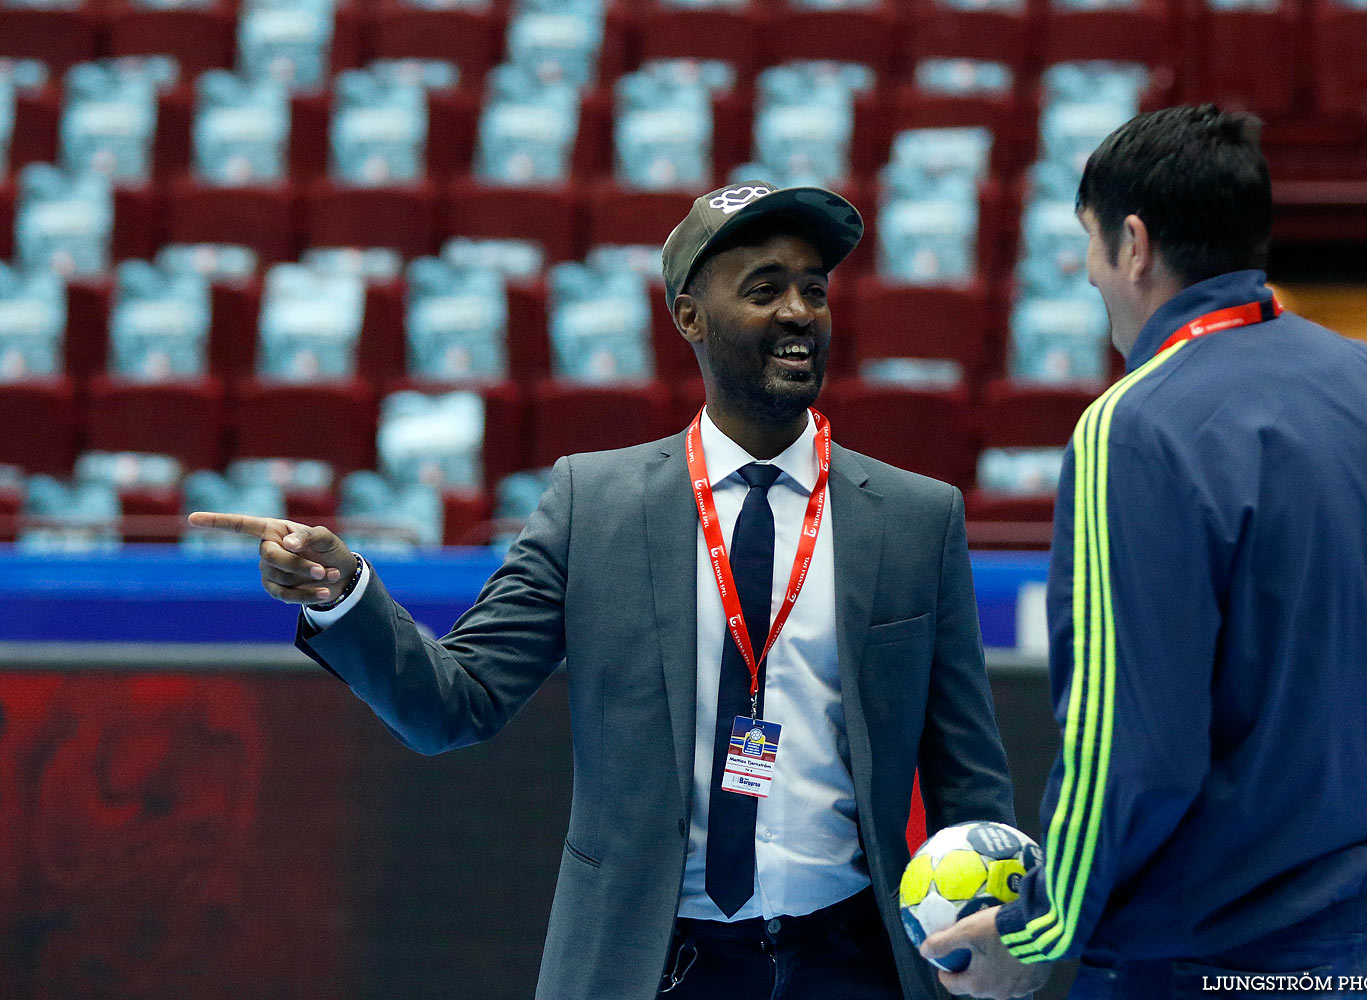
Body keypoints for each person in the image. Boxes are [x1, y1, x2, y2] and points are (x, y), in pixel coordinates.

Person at [191, 181, 1017, 1000]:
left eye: (814, 289)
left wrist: (997, 927)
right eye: (765, 290)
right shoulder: (595, 504)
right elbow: (456, 703)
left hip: (855, 962)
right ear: (689, 317)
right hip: (647, 962)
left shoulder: (916, 518)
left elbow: (968, 772)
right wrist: (345, 595)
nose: (800, 312)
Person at [919, 105, 1367, 999]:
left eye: (1089, 244)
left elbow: (1128, 742)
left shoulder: (1133, 428)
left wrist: (1040, 932)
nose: (1087, 272)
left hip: (1200, 958)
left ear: (1135, 243)